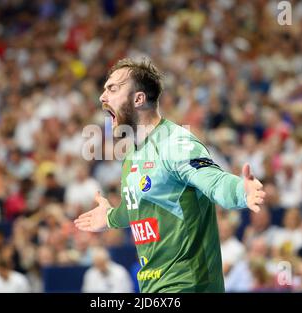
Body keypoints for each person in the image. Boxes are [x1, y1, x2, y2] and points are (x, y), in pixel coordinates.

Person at [74, 58, 266, 292]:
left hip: (188, 284)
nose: (102, 97)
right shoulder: (132, 156)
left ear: (138, 98)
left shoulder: (177, 143)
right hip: (153, 287)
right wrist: (111, 217)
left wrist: (240, 190)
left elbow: (214, 181)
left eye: (112, 89)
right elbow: (138, 209)